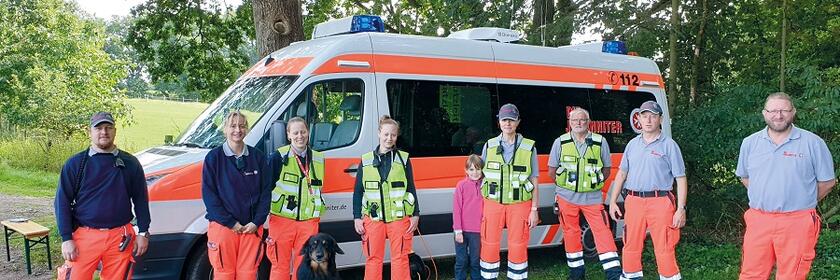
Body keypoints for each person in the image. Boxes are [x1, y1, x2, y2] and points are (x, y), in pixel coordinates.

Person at [736, 92, 836, 280]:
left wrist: (802, 199)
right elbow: (745, 177)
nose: (778, 115)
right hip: (759, 219)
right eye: (773, 111)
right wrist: (767, 195)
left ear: (793, 112)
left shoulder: (813, 143)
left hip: (797, 221)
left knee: (792, 276)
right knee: (751, 274)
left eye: (784, 110)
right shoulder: (750, 143)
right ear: (764, 113)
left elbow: (828, 182)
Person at [54, 111, 151, 280]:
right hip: (84, 236)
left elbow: (141, 199)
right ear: (89, 132)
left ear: (115, 131)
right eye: (98, 128)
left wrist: (143, 232)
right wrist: (66, 238)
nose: (104, 132)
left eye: (108, 127)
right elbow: (62, 202)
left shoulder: (130, 163)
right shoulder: (76, 164)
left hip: (120, 237)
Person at [608, 100, 687, 280]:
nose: (649, 120)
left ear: (660, 119)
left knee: (664, 246)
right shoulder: (632, 145)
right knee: (630, 246)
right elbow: (621, 174)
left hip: (660, 201)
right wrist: (612, 201)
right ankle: (631, 276)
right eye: (645, 116)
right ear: (639, 119)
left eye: (653, 116)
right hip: (633, 201)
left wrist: (681, 209)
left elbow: (681, 178)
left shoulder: (669, 145)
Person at [549, 108, 621, 280]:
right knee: (571, 234)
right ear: (569, 122)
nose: (578, 123)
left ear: (588, 122)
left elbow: (607, 169)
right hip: (567, 197)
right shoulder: (560, 142)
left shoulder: (600, 142)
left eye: (582, 120)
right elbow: (552, 171)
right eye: (574, 120)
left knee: (603, 232)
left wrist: (592, 184)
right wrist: (565, 187)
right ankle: (577, 274)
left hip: (592, 197)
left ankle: (613, 274)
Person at [201, 111, 271, 280]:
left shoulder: (258, 157)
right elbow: (209, 197)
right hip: (223, 228)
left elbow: (266, 193)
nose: (237, 130)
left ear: (247, 129)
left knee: (248, 274)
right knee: (224, 274)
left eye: (242, 126)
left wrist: (257, 221)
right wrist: (231, 223)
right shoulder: (214, 158)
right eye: (233, 126)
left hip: (251, 229)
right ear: (225, 129)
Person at [352, 115, 420, 280]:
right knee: (373, 258)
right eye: (386, 134)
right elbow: (358, 192)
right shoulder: (366, 161)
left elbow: (411, 188)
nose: (389, 138)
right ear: (379, 133)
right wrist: (357, 218)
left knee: (400, 258)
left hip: (399, 218)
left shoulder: (404, 159)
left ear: (397, 136)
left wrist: (416, 214)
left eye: (393, 135)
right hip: (373, 219)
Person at [479, 103, 539, 280]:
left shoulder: (529, 147)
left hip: (520, 204)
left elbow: (534, 180)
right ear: (499, 122)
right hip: (492, 204)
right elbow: (480, 176)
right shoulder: (489, 146)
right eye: (504, 120)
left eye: (512, 120)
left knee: (518, 244)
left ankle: (517, 277)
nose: (508, 123)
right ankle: (488, 277)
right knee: (489, 243)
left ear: (518, 122)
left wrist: (534, 210)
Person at [266, 117, 325, 280]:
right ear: (288, 135)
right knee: (280, 267)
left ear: (308, 132)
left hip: (308, 222)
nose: (300, 136)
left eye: (303, 132)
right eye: (296, 133)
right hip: (282, 221)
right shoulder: (278, 157)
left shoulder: (319, 159)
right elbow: (265, 188)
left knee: (304, 269)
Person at [453, 154, 484, 280]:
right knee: (461, 261)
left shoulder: (485, 185)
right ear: (466, 170)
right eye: (471, 169)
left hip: (477, 231)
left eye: (478, 169)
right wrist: (458, 231)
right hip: (462, 231)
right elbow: (457, 210)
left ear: (482, 169)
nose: (475, 172)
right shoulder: (461, 185)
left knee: (476, 261)